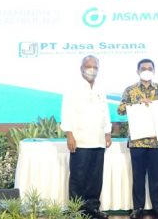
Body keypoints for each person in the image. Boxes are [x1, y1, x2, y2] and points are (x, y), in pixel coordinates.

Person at [61, 55, 112, 219]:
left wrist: (108, 132)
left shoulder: (100, 88)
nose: (92, 70)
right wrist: (69, 134)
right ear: (81, 68)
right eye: (89, 66)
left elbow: (105, 112)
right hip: (80, 140)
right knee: (78, 177)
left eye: (95, 67)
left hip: (98, 139)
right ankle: (76, 211)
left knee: (95, 178)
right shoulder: (72, 87)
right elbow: (67, 111)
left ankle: (93, 208)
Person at [118, 58, 158, 219]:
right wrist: (137, 104)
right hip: (137, 141)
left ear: (154, 71)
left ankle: (157, 207)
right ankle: (137, 208)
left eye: (149, 68)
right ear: (138, 71)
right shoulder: (130, 90)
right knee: (138, 176)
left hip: (156, 141)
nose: (146, 70)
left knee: (156, 176)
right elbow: (120, 110)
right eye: (143, 68)